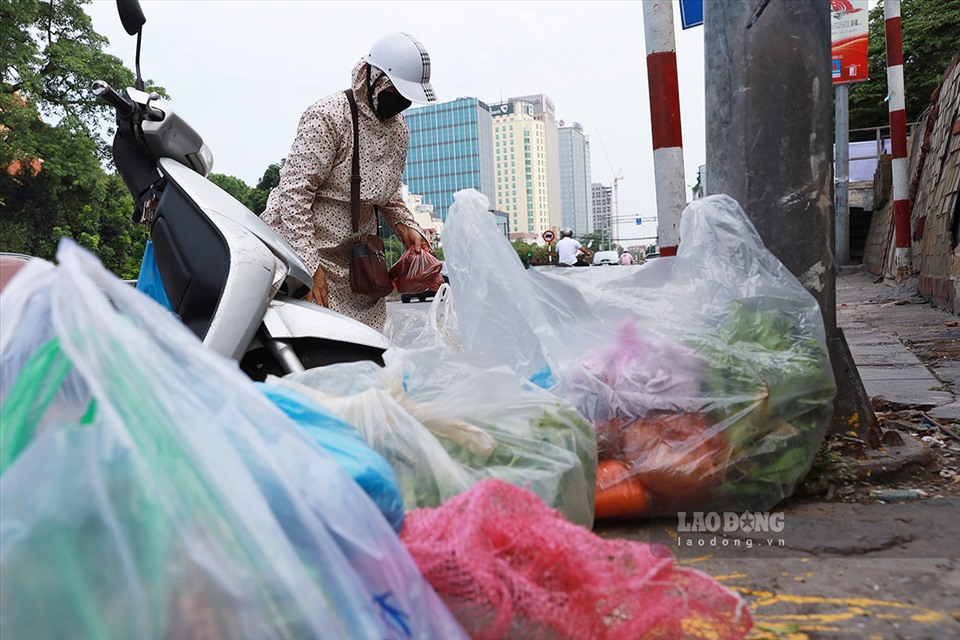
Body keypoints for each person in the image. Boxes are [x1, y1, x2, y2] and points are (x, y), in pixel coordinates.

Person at [261, 32, 437, 331]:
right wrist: (309, 265)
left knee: (366, 349)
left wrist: (407, 226)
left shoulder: (399, 131)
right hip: (304, 251)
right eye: (396, 91)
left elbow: (388, 193)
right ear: (372, 78)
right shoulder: (329, 115)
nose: (403, 102)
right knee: (310, 343)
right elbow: (294, 192)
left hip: (358, 263)